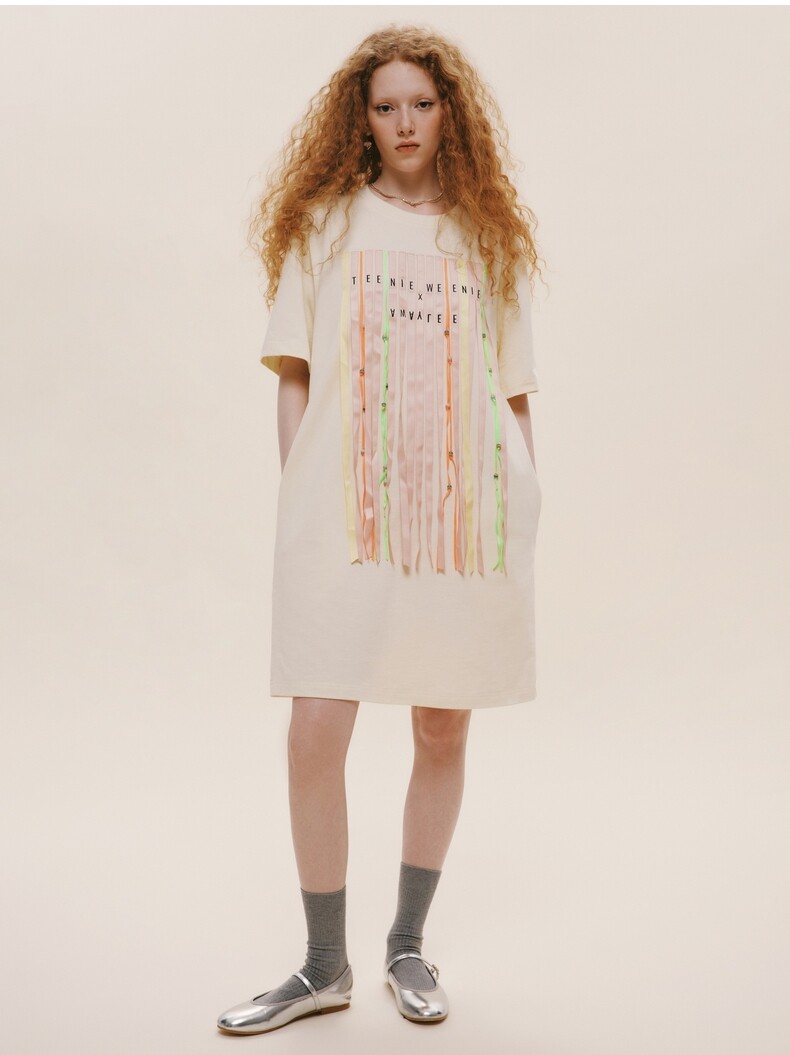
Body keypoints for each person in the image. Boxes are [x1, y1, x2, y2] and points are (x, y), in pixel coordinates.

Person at [217, 23, 545, 1036]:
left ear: (449, 114)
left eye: (422, 104)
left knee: (442, 725)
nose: (405, 122)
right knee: (316, 728)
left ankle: (407, 943)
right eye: (386, 105)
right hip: (343, 518)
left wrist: (529, 504)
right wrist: (301, 492)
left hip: (464, 521)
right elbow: (295, 374)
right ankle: (324, 963)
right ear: (361, 119)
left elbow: (514, 392)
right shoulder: (324, 226)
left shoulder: (488, 238)